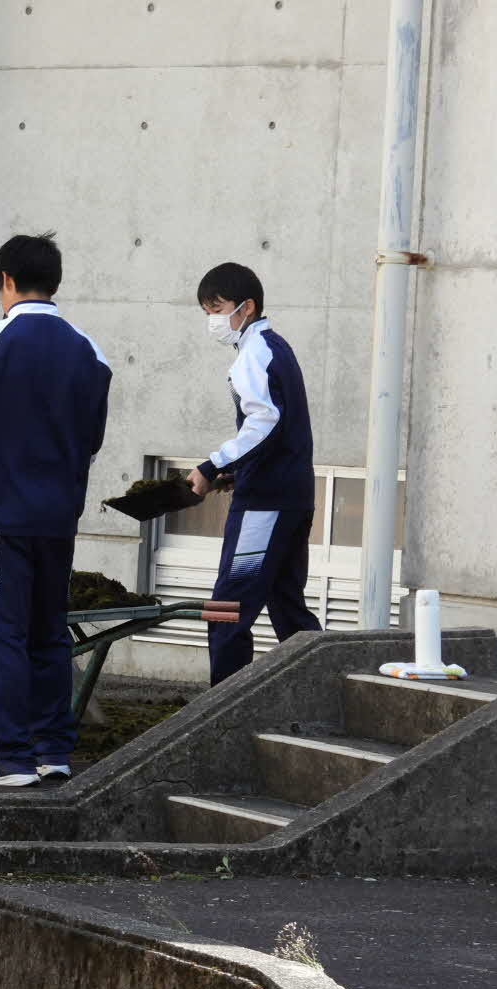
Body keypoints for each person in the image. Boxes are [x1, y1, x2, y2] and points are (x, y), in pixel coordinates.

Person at [0, 233, 111, 786]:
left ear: (6, 282)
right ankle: (53, 749)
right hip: (58, 515)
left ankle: (11, 754)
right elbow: (92, 439)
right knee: (48, 630)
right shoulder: (90, 349)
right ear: (55, 281)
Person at [187, 262, 321, 685]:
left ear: (247, 307)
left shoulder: (255, 352)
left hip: (265, 503)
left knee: (226, 607)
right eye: (207, 310)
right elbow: (276, 431)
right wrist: (236, 471)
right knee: (287, 606)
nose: (213, 319)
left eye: (218, 308)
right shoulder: (275, 347)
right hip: (291, 494)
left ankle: (222, 710)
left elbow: (264, 421)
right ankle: (323, 687)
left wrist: (213, 466)